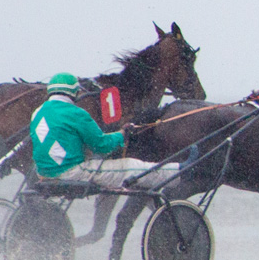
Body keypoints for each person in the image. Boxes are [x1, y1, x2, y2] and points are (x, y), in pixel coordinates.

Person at [28, 72, 177, 189]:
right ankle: (180, 172)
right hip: (72, 173)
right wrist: (122, 134)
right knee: (133, 167)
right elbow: (102, 145)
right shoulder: (76, 113)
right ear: (73, 93)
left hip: (43, 173)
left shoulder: (37, 112)